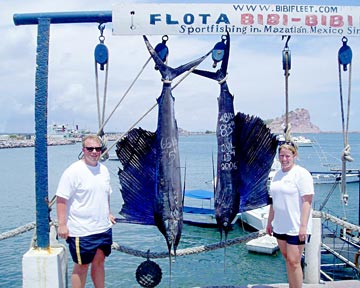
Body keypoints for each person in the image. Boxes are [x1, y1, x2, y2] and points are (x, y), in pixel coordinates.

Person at [56, 135, 116, 288]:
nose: (94, 152)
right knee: (81, 267)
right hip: (81, 231)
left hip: (103, 228)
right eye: (90, 149)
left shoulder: (104, 170)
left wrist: (108, 213)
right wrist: (62, 225)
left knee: (99, 262)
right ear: (83, 150)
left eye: (98, 149)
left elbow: (105, 194)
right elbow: (61, 199)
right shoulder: (73, 171)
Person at [266, 142, 314, 288]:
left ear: (294, 155)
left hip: (296, 226)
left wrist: (303, 227)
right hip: (280, 226)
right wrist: (269, 222)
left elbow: (307, 201)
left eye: (287, 156)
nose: (284, 159)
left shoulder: (301, 174)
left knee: (294, 261)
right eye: (281, 156)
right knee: (288, 259)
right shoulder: (276, 175)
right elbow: (274, 201)